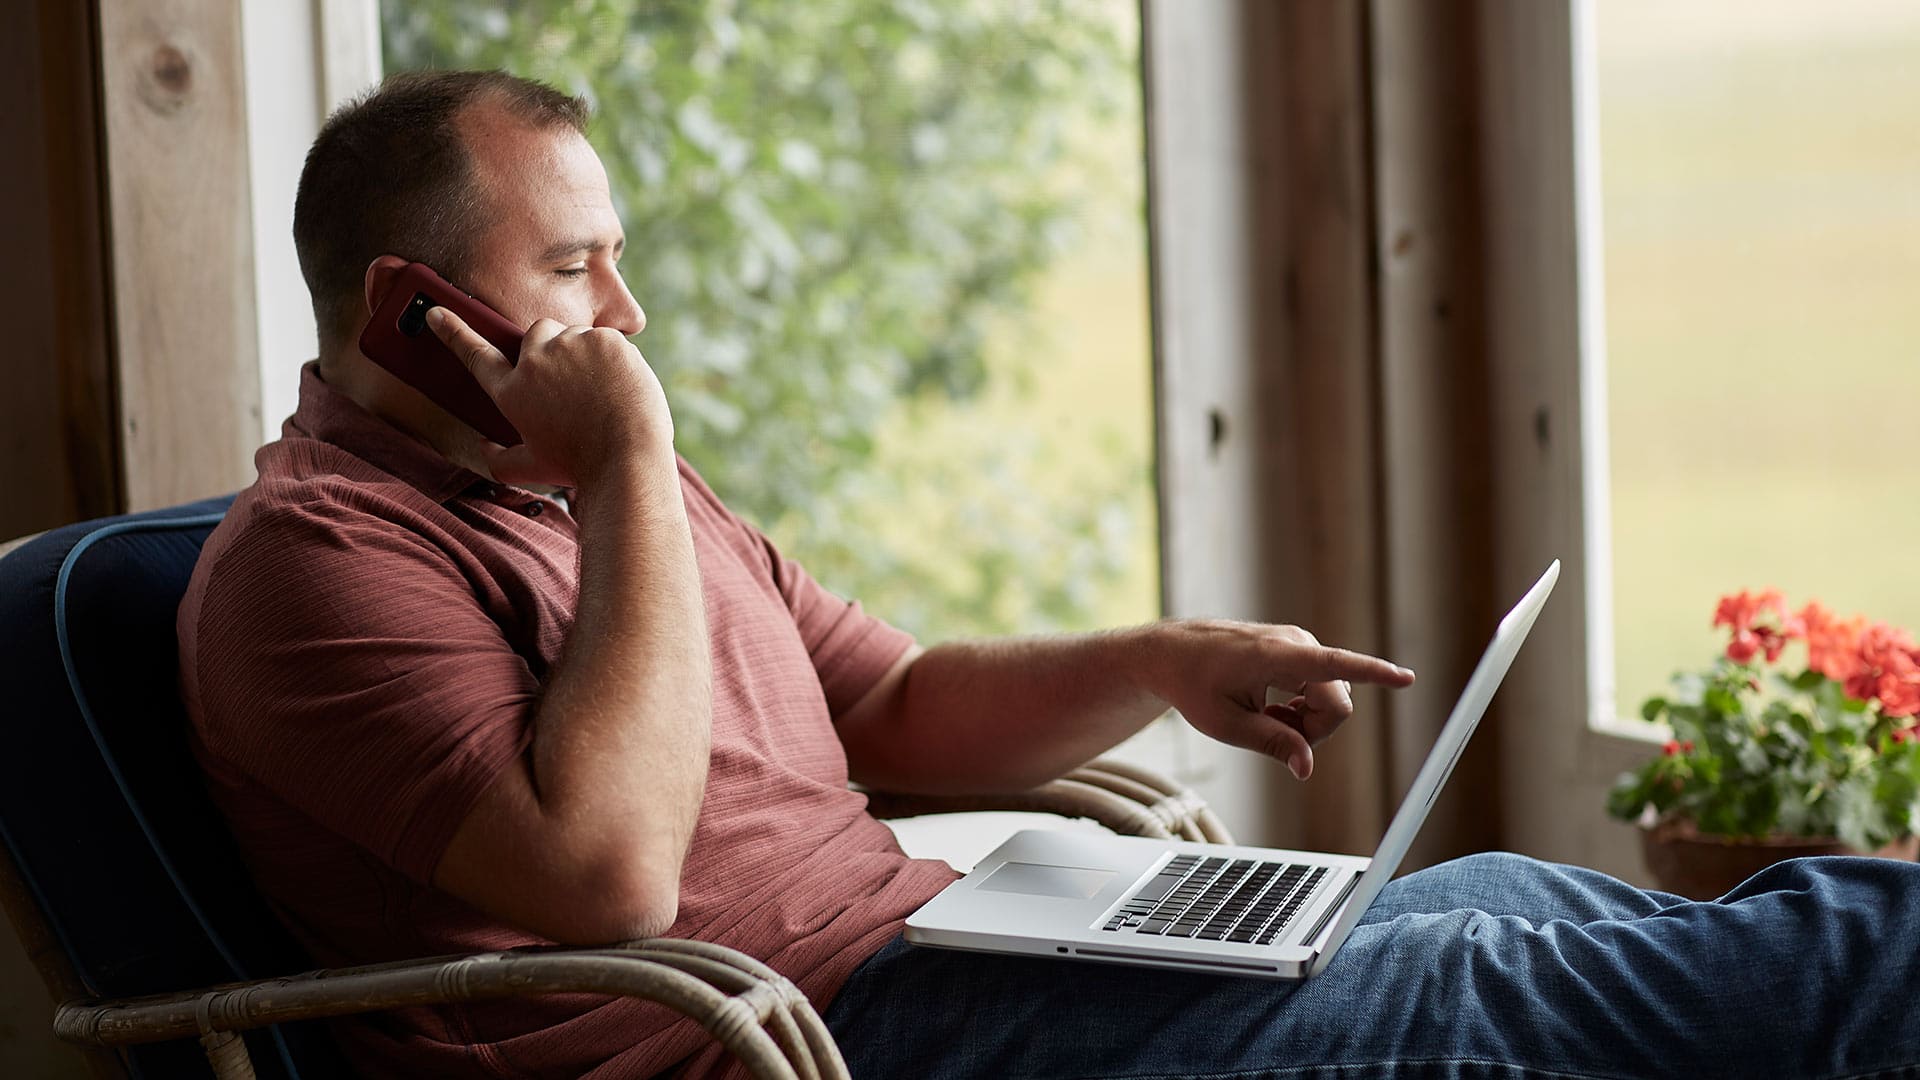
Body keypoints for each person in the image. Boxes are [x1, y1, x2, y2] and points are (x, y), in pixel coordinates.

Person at [178, 70, 1919, 1080]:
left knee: (1525, 908)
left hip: (942, 949)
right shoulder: (318, 567)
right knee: (1485, 996)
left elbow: (899, 706)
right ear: (413, 306)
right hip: (807, 1042)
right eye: (578, 268)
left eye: (621, 263)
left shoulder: (601, 492)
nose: (628, 325)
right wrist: (626, 465)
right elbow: (610, 887)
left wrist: (1156, 662)